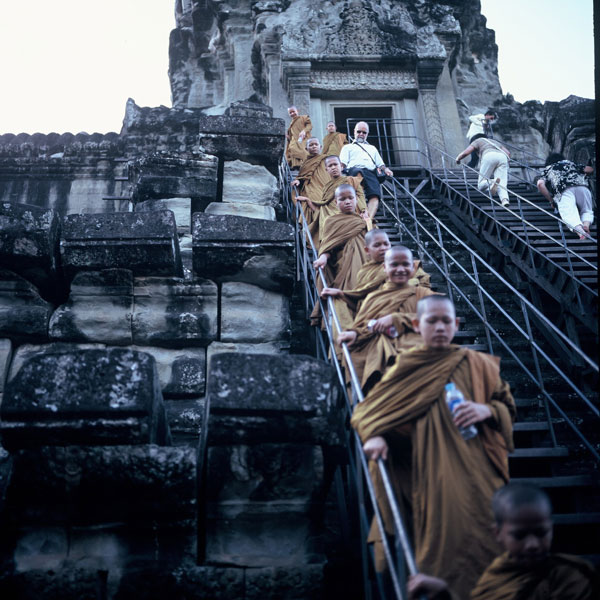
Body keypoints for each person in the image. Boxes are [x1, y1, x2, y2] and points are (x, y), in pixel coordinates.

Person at [351, 295, 515, 598]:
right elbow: (368, 411)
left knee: (489, 539)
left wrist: (487, 411)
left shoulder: (478, 364)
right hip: (432, 470)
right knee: (443, 542)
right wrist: (376, 435)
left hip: (480, 468)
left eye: (446, 321)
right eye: (431, 321)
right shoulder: (407, 366)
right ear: (416, 325)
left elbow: (506, 404)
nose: (440, 327)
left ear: (456, 324)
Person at [407, 483, 598, 599]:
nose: (532, 544)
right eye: (520, 536)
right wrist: (445, 593)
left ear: (552, 529)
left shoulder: (570, 578)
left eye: (541, 533)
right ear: (497, 533)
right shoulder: (495, 577)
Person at [336, 246, 435, 392]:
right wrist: (355, 333)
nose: (400, 269)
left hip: (414, 349)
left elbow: (438, 321)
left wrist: (396, 319)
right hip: (380, 354)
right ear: (384, 267)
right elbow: (364, 325)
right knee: (357, 356)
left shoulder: (423, 294)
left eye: (406, 265)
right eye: (394, 265)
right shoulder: (373, 298)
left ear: (413, 267)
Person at [310, 185, 370, 331]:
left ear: (357, 200)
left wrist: (368, 224)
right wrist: (323, 257)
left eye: (351, 198)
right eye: (342, 199)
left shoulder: (364, 221)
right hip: (344, 266)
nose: (347, 202)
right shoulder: (331, 221)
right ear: (336, 202)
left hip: (366, 265)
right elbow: (328, 245)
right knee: (348, 296)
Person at [304, 155, 367, 247]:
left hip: (346, 210)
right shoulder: (326, 186)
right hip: (329, 213)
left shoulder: (351, 180)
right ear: (326, 169)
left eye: (335, 164)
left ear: (341, 166)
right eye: (330, 166)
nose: (333, 168)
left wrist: (364, 210)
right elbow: (324, 202)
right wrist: (308, 201)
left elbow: (360, 196)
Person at [339, 121, 393, 218]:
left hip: (370, 172)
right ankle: (359, 210)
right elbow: (343, 163)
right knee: (358, 176)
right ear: (354, 132)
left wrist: (386, 170)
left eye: (364, 132)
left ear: (367, 134)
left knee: (375, 194)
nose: (361, 134)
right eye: (359, 131)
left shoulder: (372, 148)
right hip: (354, 171)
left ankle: (368, 218)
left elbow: (380, 163)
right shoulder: (347, 147)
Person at [536, 154, 595, 239]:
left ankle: (581, 232)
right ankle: (586, 225)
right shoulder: (570, 163)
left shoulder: (548, 169)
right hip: (582, 186)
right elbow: (589, 169)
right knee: (587, 210)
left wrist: (551, 200)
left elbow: (540, 184)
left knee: (569, 214)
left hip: (563, 190)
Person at [456, 137, 511, 207]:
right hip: (502, 157)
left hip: (489, 155)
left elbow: (466, 152)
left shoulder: (477, 141)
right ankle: (504, 200)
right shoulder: (495, 142)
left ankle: (492, 181)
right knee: (502, 183)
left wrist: (458, 158)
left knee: (480, 185)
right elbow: (508, 153)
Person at [292, 137, 329, 225]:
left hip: (323, 187)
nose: (314, 146)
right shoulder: (305, 163)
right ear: (306, 148)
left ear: (320, 147)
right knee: (308, 204)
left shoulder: (326, 159)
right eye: (311, 145)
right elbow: (302, 176)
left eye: (316, 144)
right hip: (309, 188)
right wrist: (298, 181)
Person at [285, 106, 312, 170]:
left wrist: (304, 131)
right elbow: (291, 136)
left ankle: (308, 162)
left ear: (297, 111)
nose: (292, 114)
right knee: (291, 148)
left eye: (293, 111)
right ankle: (296, 165)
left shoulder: (304, 118)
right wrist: (287, 136)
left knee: (296, 149)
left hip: (303, 138)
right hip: (294, 140)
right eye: (290, 113)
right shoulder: (291, 123)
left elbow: (309, 125)